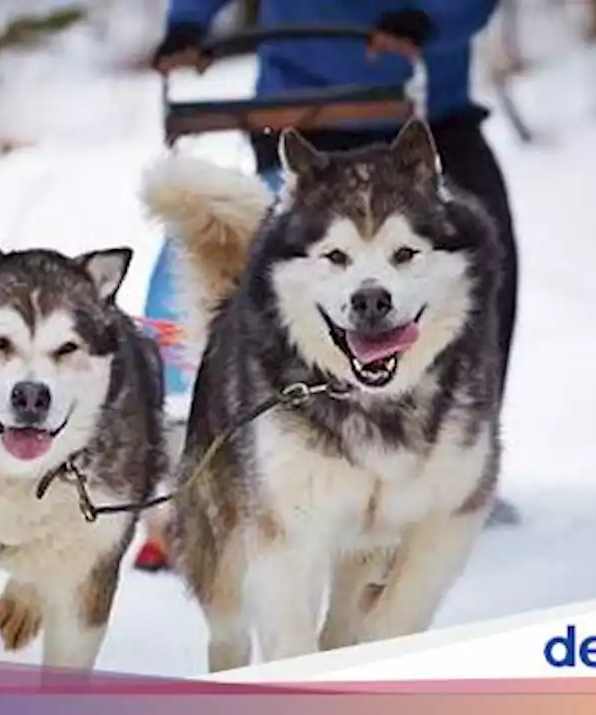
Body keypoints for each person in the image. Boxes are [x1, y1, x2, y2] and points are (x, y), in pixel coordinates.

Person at [134, 0, 521, 572]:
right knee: (267, 284)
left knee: (480, 261)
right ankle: (256, 469)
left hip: (422, 113)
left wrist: (429, 18)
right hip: (300, 111)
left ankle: (452, 465)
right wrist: (188, 25)